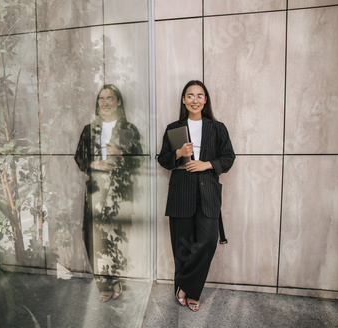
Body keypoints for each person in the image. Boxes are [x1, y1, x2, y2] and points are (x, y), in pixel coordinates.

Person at [158, 80, 235, 311]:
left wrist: (207, 165)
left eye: (200, 96)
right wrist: (179, 153)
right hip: (181, 193)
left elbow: (229, 158)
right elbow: (163, 159)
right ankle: (190, 291)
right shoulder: (174, 128)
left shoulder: (217, 127)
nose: (195, 100)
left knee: (208, 241)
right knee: (183, 245)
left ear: (206, 100)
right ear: (183, 100)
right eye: (190, 96)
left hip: (208, 194)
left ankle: (184, 284)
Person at [74, 84, 142, 302]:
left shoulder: (128, 129)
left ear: (119, 102)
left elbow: (138, 159)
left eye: (109, 99)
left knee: (117, 237)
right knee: (93, 237)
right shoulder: (89, 129)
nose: (104, 103)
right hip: (95, 190)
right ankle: (103, 283)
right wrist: (94, 164)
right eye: (101, 99)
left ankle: (116, 280)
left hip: (119, 192)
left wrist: (120, 154)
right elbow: (79, 158)